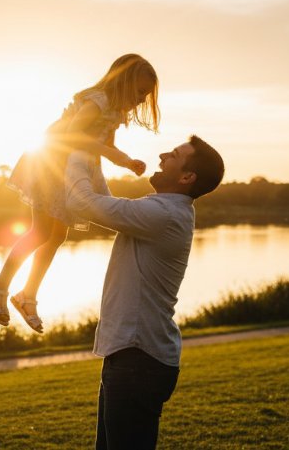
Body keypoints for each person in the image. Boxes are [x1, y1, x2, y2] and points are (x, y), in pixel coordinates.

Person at [65, 135, 225, 450]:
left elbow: (80, 202)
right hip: (133, 356)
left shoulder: (163, 214)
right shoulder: (163, 211)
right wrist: (95, 152)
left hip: (138, 361)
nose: (163, 154)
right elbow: (102, 203)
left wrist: (74, 150)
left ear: (186, 177)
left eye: (175, 155)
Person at [0, 53, 161, 333]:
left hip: (73, 169)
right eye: (139, 91)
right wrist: (117, 158)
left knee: (57, 235)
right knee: (41, 231)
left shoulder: (115, 111)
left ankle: (27, 295)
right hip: (51, 163)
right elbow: (73, 136)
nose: (141, 99)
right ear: (123, 82)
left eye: (145, 94)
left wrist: (126, 160)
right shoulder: (97, 101)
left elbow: (105, 145)